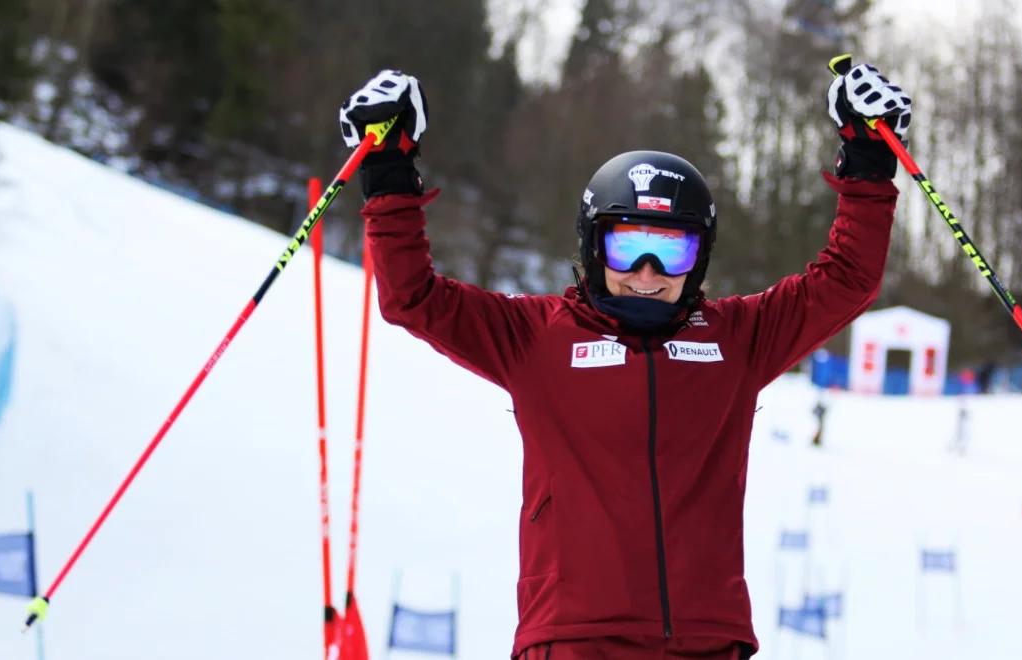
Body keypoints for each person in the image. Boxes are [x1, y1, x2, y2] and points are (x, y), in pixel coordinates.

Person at [337, 62, 911, 659]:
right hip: (575, 639)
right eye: (627, 244)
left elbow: (847, 279)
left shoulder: (738, 339)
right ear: (592, 244)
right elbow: (414, 297)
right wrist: (388, 170)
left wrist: (868, 155)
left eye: (670, 250)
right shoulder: (534, 337)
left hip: (707, 641)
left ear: (700, 256)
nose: (647, 272)